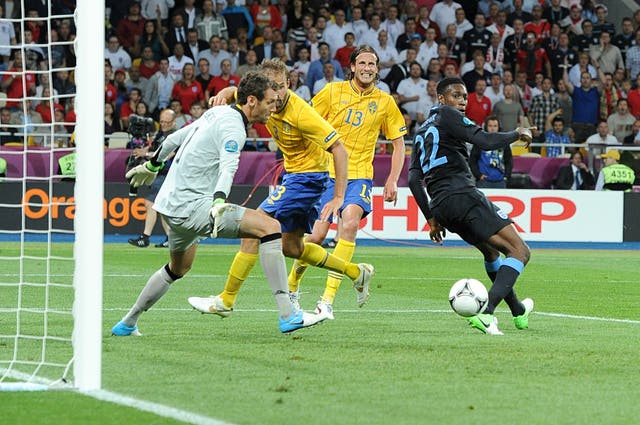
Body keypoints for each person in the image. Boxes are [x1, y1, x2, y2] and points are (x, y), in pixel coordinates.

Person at [112, 72, 324, 336]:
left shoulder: (215, 113)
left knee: (177, 268)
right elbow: (228, 166)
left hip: (171, 207)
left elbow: (173, 139)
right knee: (270, 227)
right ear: (251, 102)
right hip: (196, 207)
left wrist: (154, 163)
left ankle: (128, 322)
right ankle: (288, 314)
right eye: (269, 101)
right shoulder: (234, 127)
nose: (274, 107)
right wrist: (219, 202)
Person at [187, 59, 375, 319]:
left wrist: (339, 197)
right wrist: (223, 93)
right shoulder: (265, 100)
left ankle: (226, 300)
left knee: (253, 230)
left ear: (289, 83)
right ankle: (356, 272)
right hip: (293, 177)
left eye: (280, 86)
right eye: (270, 87)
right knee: (293, 248)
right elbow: (238, 91)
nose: (275, 93)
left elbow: (339, 149)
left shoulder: (301, 113)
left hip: (308, 179)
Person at [408, 77, 535, 335]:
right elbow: (484, 140)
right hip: (463, 194)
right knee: (520, 251)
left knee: (491, 254)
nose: (463, 101)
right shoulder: (447, 114)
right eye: (456, 95)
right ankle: (486, 315)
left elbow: (413, 180)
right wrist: (516, 133)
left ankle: (518, 311)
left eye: (464, 97)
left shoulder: (421, 131)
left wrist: (431, 218)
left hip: (442, 206)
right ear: (441, 99)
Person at [287, 46, 407, 318]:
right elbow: (305, 121)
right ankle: (292, 285)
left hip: (359, 175)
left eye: (372, 64)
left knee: (350, 223)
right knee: (315, 236)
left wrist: (392, 180)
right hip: (325, 173)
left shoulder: (385, 101)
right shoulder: (331, 92)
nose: (367, 68)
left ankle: (326, 301)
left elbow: (398, 144)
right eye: (362, 63)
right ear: (352, 67)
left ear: (377, 69)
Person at [128, 109, 176, 248]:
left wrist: (148, 154)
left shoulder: (175, 135)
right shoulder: (161, 133)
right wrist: (143, 151)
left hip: (167, 174)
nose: (164, 124)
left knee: (150, 204)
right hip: (158, 173)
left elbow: (168, 155)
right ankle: (169, 239)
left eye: (167, 122)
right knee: (161, 207)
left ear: (174, 122)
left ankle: (145, 237)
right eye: (161, 122)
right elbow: (154, 147)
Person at [470, 115, 512, 189]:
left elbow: (509, 161)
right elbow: (472, 161)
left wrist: (506, 176)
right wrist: (478, 175)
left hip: (501, 181)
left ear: (499, 127)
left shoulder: (505, 142)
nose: (492, 128)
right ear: (486, 127)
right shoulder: (479, 141)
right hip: (483, 181)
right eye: (490, 126)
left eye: (495, 126)